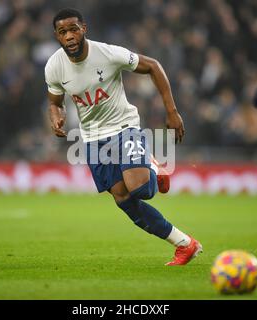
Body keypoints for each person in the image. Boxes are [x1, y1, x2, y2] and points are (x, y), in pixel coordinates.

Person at [45, 8, 202, 265]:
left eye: (74, 29)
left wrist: (172, 111)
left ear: (84, 28)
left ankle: (152, 166)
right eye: (63, 32)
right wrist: (55, 115)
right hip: (93, 137)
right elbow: (55, 102)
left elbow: (153, 66)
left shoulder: (107, 53)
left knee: (141, 189)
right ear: (57, 36)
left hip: (123, 126)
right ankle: (185, 244)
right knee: (123, 199)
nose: (70, 36)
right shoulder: (53, 66)